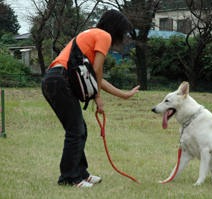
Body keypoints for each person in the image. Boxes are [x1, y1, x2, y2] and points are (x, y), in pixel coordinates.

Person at [41, 9, 140, 188]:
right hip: (61, 80)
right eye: (122, 32)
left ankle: (81, 174)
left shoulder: (91, 32)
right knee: (75, 131)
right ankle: (70, 179)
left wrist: (124, 95)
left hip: (53, 79)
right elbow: (97, 70)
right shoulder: (104, 35)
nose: (122, 37)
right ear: (116, 28)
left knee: (79, 129)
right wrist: (97, 98)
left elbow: (95, 75)